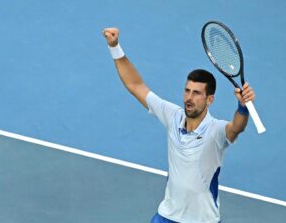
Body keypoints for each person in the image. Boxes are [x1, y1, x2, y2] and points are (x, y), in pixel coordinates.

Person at [103, 27, 256, 223]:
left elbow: (237, 127)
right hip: (167, 217)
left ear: (210, 99)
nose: (188, 98)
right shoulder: (172, 116)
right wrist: (115, 47)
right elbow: (135, 85)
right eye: (187, 90)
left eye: (196, 93)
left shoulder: (216, 131)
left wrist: (243, 108)